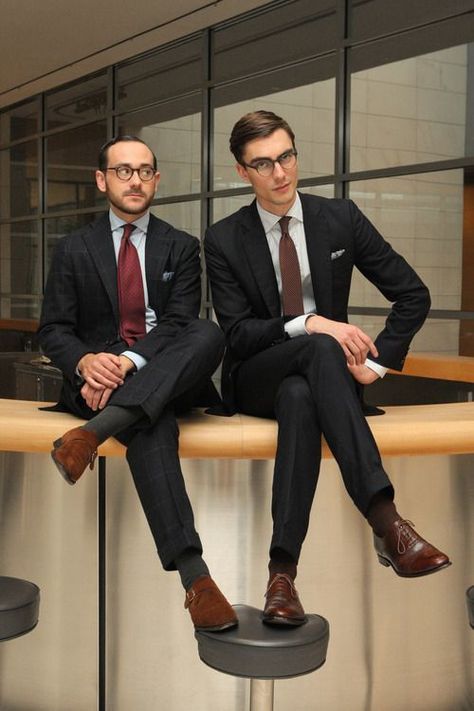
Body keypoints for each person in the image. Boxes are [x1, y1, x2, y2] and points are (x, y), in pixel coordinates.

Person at [204, 110, 451, 627]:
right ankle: (387, 523)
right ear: (240, 171)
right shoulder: (224, 238)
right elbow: (238, 334)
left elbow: (413, 295)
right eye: (264, 163)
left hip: (319, 382)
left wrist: (378, 366)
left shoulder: (339, 218)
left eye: (287, 156)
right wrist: (312, 322)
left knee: (301, 395)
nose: (280, 173)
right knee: (315, 350)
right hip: (255, 378)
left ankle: (281, 576)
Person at [38, 135, 237, 632]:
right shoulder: (72, 248)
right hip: (96, 385)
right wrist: (87, 362)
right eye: (124, 171)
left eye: (145, 171)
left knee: (207, 332)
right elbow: (54, 330)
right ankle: (197, 579)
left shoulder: (182, 246)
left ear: (157, 180)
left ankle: (90, 435)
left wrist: (125, 363)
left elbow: (177, 326)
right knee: (154, 424)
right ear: (102, 180)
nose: (136, 180)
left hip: (151, 373)